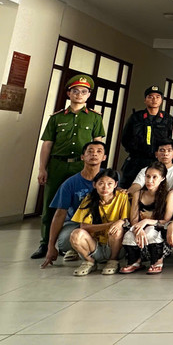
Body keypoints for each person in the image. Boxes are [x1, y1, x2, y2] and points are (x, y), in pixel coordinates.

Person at [32, 74, 106, 260]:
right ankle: (45, 244)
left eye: (84, 91)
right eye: (75, 91)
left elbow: (98, 144)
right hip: (58, 165)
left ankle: (75, 242)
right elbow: (47, 144)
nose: (79, 94)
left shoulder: (94, 118)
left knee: (85, 202)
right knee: (51, 205)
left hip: (83, 166)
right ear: (68, 94)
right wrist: (42, 168)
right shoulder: (56, 118)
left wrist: (99, 168)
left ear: (88, 95)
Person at [40, 140, 107, 269]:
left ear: (104, 157)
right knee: (64, 241)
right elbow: (59, 214)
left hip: (102, 221)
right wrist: (51, 246)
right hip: (76, 223)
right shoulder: (70, 183)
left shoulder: (110, 178)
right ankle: (79, 248)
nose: (94, 154)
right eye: (90, 151)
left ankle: (85, 248)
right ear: (82, 157)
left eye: (99, 151)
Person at [69, 168, 130, 277]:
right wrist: (109, 225)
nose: (105, 188)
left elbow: (126, 219)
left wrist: (119, 222)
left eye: (109, 184)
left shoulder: (122, 197)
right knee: (76, 234)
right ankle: (89, 261)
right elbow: (84, 226)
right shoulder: (89, 199)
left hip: (115, 246)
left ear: (116, 184)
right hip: (94, 247)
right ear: (94, 185)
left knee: (117, 229)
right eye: (101, 183)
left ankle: (113, 261)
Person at [121, 162, 173, 274]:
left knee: (150, 231)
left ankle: (157, 261)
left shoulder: (169, 195)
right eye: (147, 176)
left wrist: (146, 221)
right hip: (140, 234)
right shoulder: (138, 194)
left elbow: (166, 220)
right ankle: (135, 262)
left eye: (155, 177)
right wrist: (138, 229)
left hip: (159, 235)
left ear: (162, 178)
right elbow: (134, 218)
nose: (150, 180)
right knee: (129, 234)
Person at [120, 85, 173, 188]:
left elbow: (169, 140)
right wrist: (135, 150)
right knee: (128, 188)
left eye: (157, 97)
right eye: (150, 97)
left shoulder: (167, 119)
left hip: (156, 162)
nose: (154, 100)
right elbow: (125, 138)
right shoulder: (136, 117)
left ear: (161, 100)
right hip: (136, 161)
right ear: (145, 100)